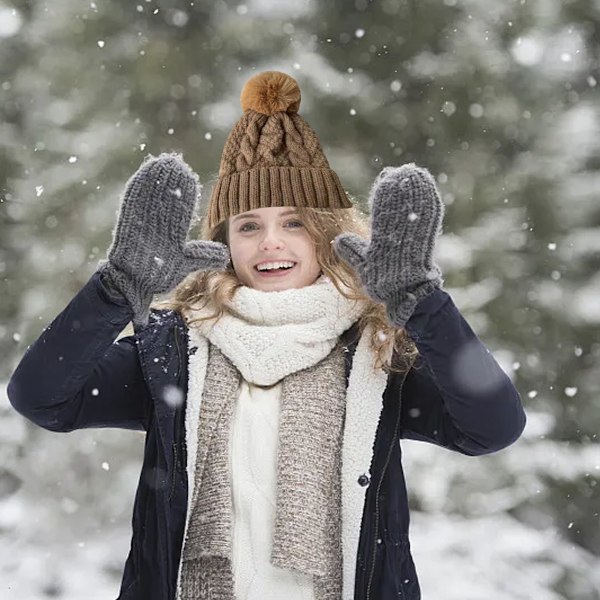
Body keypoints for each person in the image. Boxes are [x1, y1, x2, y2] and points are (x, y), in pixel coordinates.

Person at [7, 71, 526, 600]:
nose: (269, 242)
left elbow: (492, 428)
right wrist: (116, 290)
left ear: (327, 231)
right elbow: (42, 398)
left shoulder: (373, 350)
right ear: (224, 240)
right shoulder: (173, 349)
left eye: (294, 223)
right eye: (248, 225)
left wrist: (423, 304)